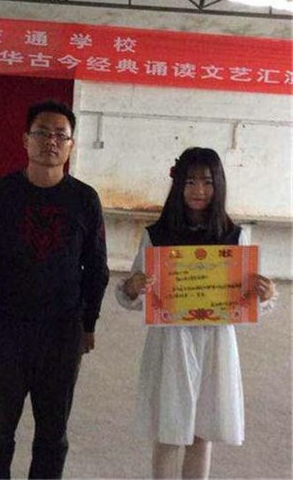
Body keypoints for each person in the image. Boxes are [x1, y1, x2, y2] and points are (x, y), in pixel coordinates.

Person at [0, 99, 109, 479]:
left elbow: (96, 268)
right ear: (25, 140)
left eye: (61, 135)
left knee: (52, 435)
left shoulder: (84, 199)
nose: (51, 141)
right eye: (42, 132)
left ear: (71, 145)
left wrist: (88, 323)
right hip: (5, 330)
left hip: (62, 333)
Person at [116, 147, 277, 479]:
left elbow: (246, 299)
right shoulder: (156, 236)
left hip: (214, 344)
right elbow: (131, 292)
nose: (198, 191)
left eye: (207, 182)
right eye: (190, 182)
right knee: (168, 429)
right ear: (178, 185)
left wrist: (264, 294)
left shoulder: (234, 236)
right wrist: (132, 286)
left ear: (219, 185)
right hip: (170, 343)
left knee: (202, 431)